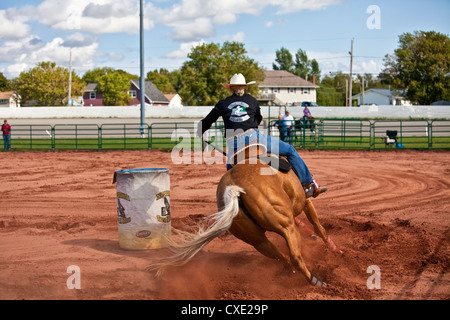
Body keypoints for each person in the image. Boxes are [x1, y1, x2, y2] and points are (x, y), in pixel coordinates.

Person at [197, 73, 326, 198]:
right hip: (253, 138)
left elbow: (207, 122)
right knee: (290, 151)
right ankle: (308, 184)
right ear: (246, 88)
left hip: (234, 144)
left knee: (231, 174)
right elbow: (258, 120)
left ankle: (232, 198)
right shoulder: (252, 101)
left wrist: (200, 131)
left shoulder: (222, 104)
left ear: (231, 89)